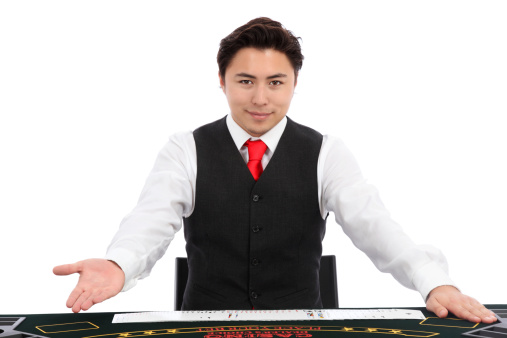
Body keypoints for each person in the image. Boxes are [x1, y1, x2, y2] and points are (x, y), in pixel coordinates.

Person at [53, 17, 497, 323]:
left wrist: (434, 283)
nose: (261, 99)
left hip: (304, 326)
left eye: (276, 82)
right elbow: (149, 222)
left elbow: (377, 226)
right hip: (205, 328)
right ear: (222, 80)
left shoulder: (327, 152)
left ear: (295, 83)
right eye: (245, 81)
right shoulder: (184, 148)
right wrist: (118, 264)